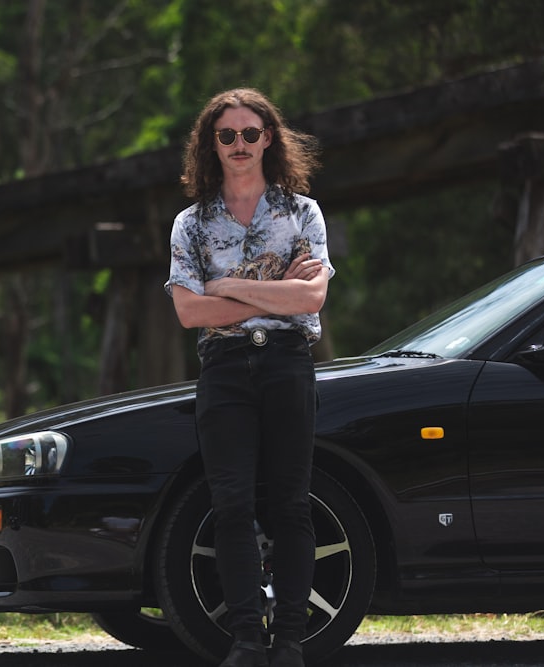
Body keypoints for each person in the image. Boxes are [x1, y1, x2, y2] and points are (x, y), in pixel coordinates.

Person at [165, 88, 333, 667]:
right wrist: (273, 294)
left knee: (291, 504)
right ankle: (245, 639)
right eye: (227, 135)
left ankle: (289, 640)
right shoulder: (190, 224)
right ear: (211, 145)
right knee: (231, 503)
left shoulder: (301, 213)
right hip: (225, 369)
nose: (240, 145)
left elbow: (312, 296)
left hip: (287, 363)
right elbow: (189, 313)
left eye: (251, 134)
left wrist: (224, 286)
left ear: (269, 140)